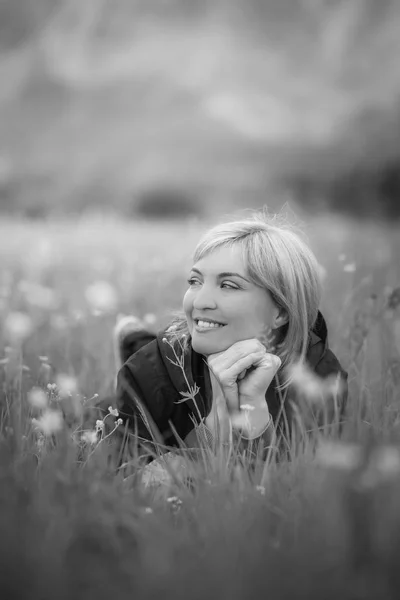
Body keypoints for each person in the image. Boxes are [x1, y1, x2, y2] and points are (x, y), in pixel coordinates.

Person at [112, 208, 348, 468]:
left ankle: (136, 337)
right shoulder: (147, 370)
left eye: (228, 285)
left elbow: (293, 486)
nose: (199, 301)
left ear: (280, 311)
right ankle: (135, 340)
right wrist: (217, 421)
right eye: (195, 281)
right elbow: (125, 486)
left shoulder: (319, 377)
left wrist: (253, 414)